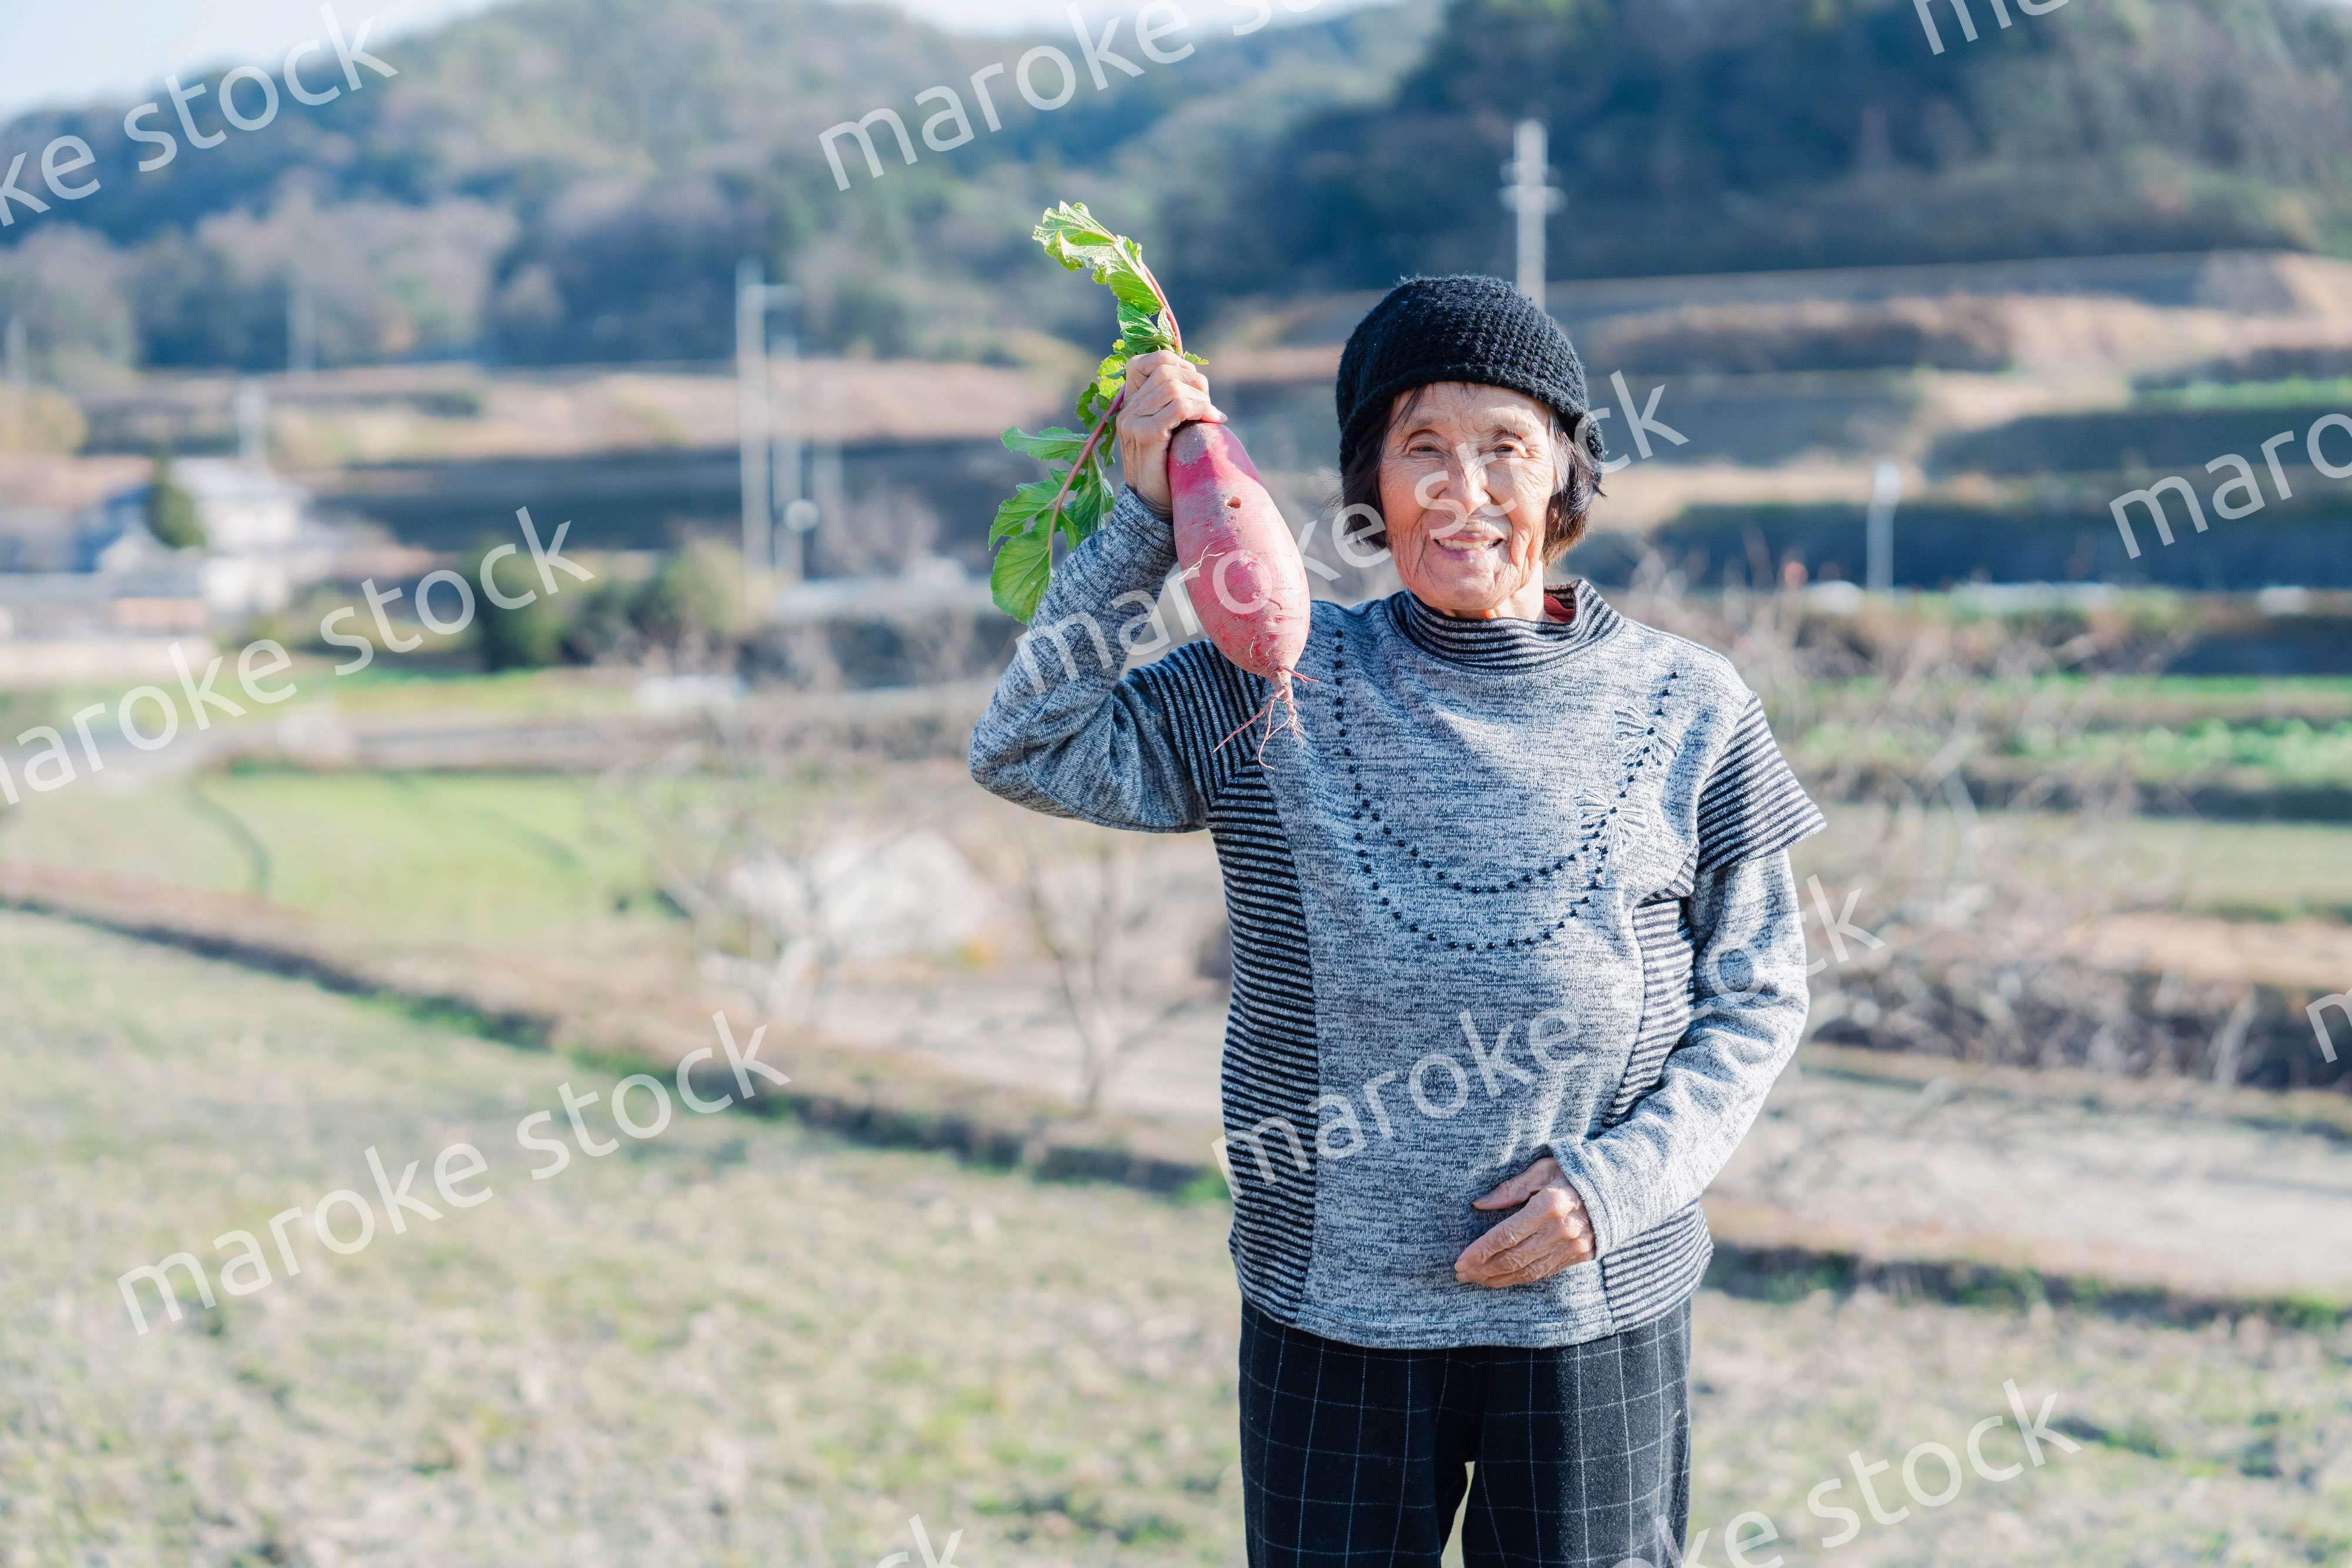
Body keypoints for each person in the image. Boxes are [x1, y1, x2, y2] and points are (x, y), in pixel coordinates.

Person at [969, 274, 1825, 1568]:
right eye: (1419, 446)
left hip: (1593, 1303)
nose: (1462, 487)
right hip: (1334, 1308)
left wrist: (1617, 1185)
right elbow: (1024, 745)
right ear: (1367, 483)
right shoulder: (1270, 679)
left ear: (1562, 477)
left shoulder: (1687, 703)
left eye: (1504, 447)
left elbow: (1758, 992)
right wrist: (1153, 517)